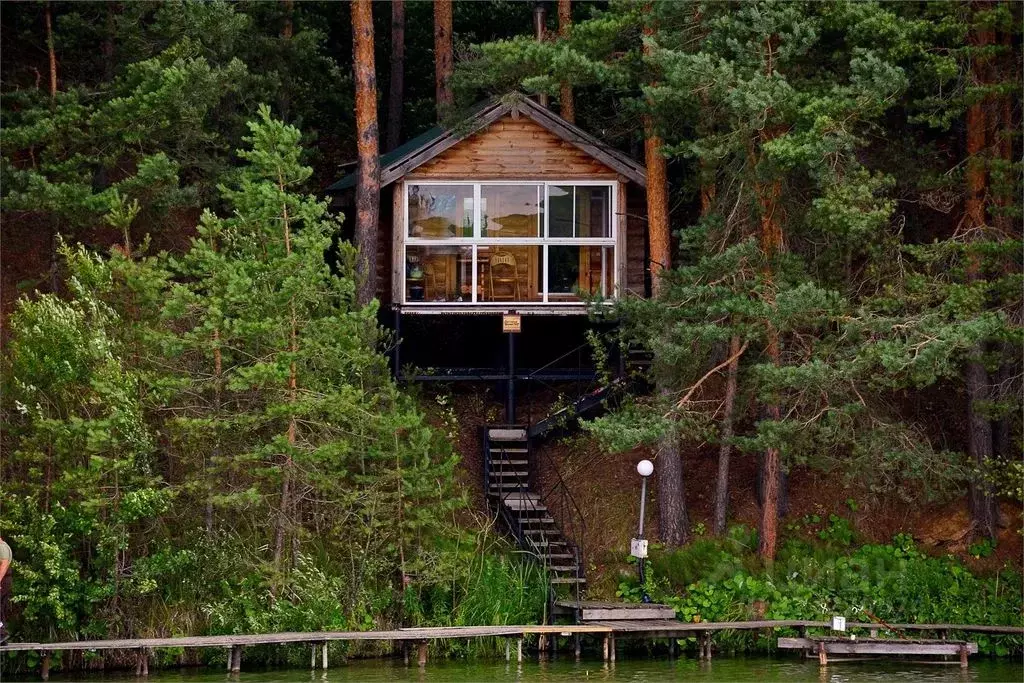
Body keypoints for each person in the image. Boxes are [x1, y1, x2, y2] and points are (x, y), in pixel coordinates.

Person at [0, 535, 11, 645]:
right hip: (5, 580)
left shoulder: (1, 547)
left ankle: (1, 633)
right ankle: (2, 637)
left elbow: (4, 563)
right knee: (1, 608)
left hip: (3, 580)